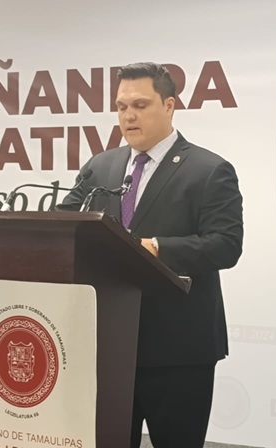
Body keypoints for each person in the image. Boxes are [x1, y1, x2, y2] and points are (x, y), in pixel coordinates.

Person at [57, 62, 244, 447]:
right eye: (121, 106)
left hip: (178, 349)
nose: (128, 115)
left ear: (169, 105)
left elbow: (226, 245)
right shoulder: (99, 167)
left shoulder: (208, 170)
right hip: (108, 346)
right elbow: (64, 224)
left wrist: (156, 248)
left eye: (140, 105)